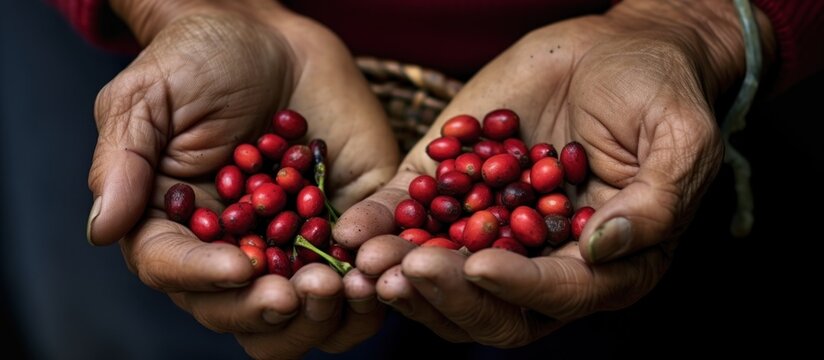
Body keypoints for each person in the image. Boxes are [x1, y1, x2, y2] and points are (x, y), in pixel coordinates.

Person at [48, 0, 823, 358]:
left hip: (608, 87)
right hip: (182, 78)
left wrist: (699, 22)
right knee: (127, 329)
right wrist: (172, 6)